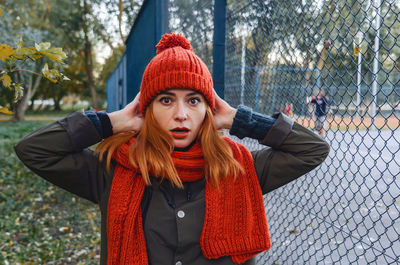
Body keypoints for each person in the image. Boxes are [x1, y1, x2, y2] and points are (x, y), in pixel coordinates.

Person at [14, 33, 330, 265]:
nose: (181, 114)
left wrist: (239, 119)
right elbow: (34, 150)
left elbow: (312, 149)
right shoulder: (111, 170)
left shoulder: (240, 167)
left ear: (209, 108)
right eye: (166, 100)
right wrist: (110, 122)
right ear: (147, 108)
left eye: (193, 100)